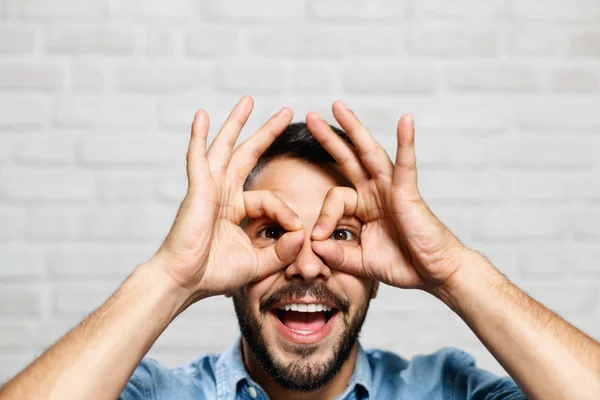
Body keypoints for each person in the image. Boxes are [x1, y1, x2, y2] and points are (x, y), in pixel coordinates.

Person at [0, 96, 598, 400]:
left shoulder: (443, 389)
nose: (307, 264)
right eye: (273, 233)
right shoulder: (164, 393)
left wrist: (453, 272)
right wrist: (172, 277)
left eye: (340, 235)